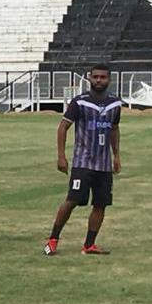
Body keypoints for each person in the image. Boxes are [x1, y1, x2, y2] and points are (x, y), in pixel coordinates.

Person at [44, 64, 121, 256]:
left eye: (103, 77)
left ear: (109, 79)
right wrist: (61, 156)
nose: (99, 81)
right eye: (95, 77)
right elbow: (63, 127)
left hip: (103, 165)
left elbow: (114, 129)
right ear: (89, 78)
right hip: (83, 163)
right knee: (72, 200)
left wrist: (116, 155)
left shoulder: (115, 104)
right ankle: (53, 240)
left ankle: (89, 244)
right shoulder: (80, 102)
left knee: (101, 204)